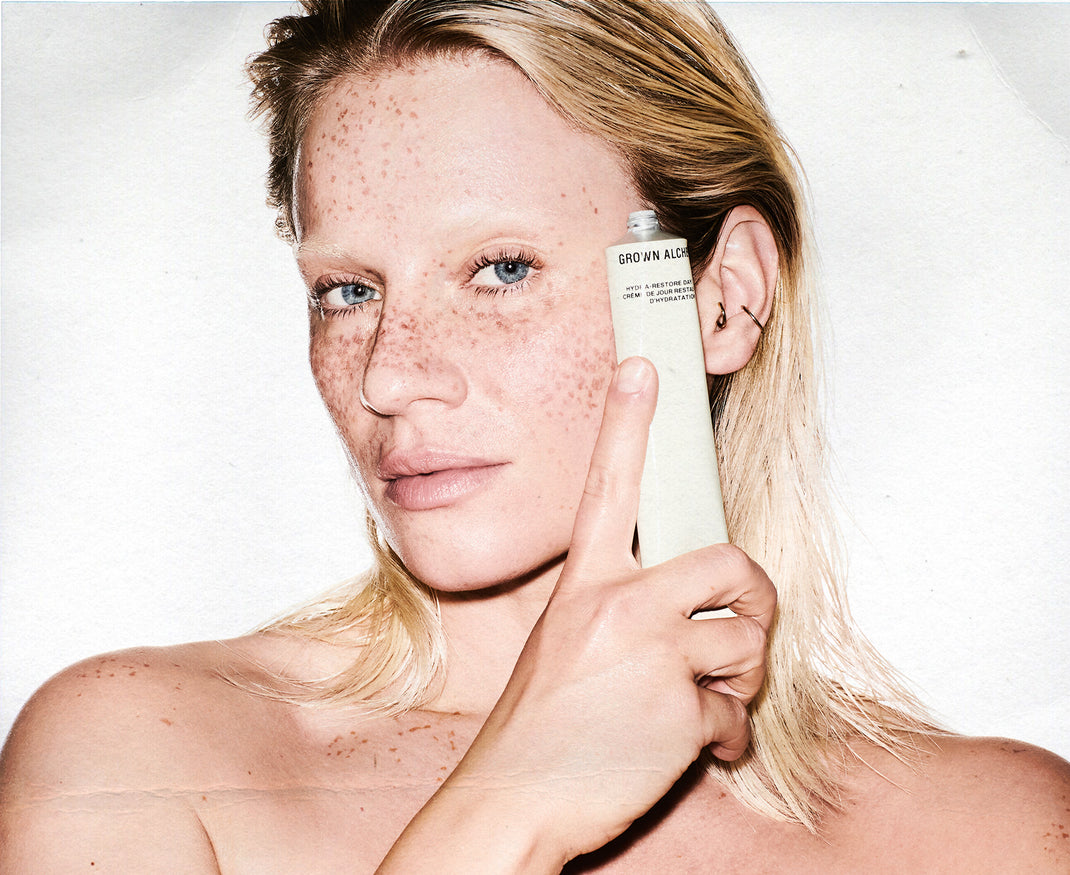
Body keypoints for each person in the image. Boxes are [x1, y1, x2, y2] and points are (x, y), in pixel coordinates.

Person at [1, 2, 1067, 871]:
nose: (388, 372)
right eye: (347, 290)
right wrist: (506, 811)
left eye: (500, 269)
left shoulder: (995, 835)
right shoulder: (140, 765)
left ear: (720, 299)